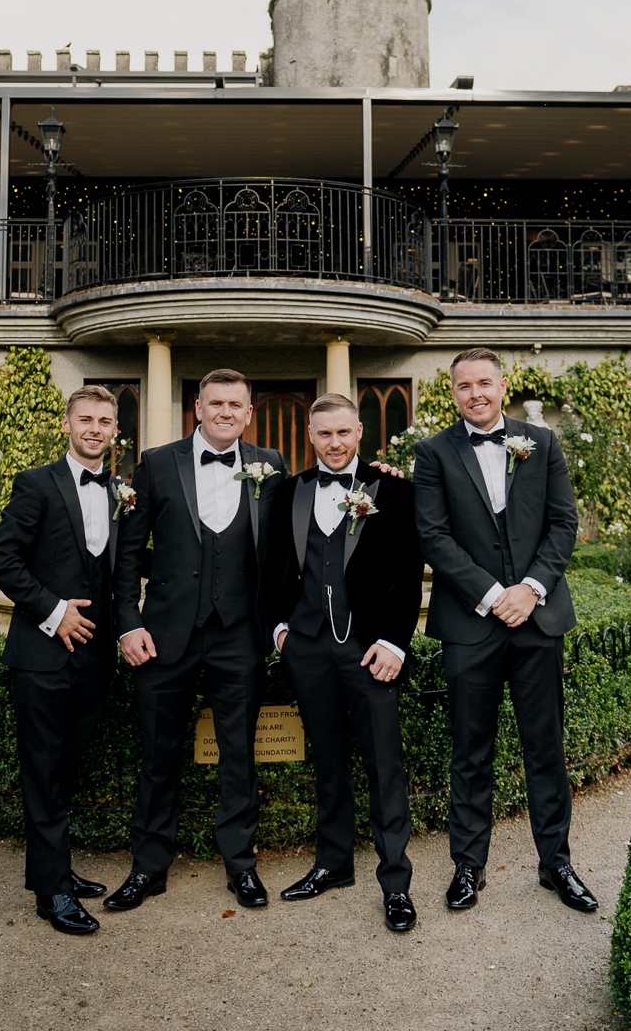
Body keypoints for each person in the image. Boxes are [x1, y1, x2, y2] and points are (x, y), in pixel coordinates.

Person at [412, 347, 597, 914]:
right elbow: (433, 537)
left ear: (503, 384)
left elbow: (564, 522)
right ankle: (468, 867)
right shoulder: (433, 452)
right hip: (471, 626)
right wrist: (494, 597)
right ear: (453, 393)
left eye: (485, 383)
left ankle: (556, 864)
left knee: (546, 747)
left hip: (537, 621)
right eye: (464, 386)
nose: (476, 394)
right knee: (470, 751)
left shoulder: (542, 443)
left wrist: (531, 589)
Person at [107, 370, 288, 912]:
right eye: (216, 403)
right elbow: (126, 552)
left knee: (239, 756)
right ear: (198, 407)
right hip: (164, 636)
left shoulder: (272, 465)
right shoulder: (158, 463)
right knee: (158, 757)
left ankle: (241, 866)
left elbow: (288, 546)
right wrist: (128, 622)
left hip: (239, 636)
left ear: (249, 412)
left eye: (236, 403)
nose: (226, 412)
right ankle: (148, 868)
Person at [257, 394, 423, 933]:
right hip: (306, 649)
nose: (335, 444)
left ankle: (396, 883)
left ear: (359, 432)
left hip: (369, 651)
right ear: (310, 435)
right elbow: (269, 569)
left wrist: (396, 643)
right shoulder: (288, 492)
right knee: (326, 762)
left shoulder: (393, 490)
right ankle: (333, 864)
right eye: (324, 434)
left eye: (344, 433)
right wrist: (279, 629)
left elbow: (406, 575)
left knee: (384, 767)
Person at [0, 385, 125, 936]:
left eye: (105, 420)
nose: (95, 428)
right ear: (67, 425)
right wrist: (53, 611)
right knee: (43, 773)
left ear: (115, 429)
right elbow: (2, 560)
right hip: (41, 657)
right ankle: (52, 893)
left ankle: (57, 865)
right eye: (85, 419)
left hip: (94, 662)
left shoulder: (121, 492)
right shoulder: (36, 483)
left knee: (65, 770)